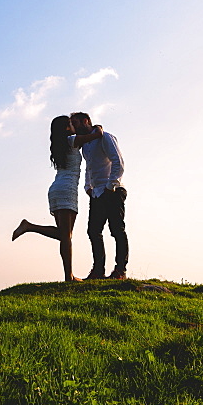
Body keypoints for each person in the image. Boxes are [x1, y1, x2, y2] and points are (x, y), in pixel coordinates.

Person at [12, 115, 103, 281]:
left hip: (57, 189)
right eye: (71, 123)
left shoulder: (60, 144)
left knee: (64, 235)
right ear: (67, 128)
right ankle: (69, 276)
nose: (74, 126)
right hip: (66, 190)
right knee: (66, 236)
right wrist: (98, 127)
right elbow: (97, 135)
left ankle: (30, 227)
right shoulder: (72, 140)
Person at [70, 112, 127, 280]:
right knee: (93, 231)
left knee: (117, 230)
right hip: (96, 193)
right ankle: (98, 271)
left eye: (75, 123)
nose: (73, 128)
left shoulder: (106, 137)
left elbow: (119, 162)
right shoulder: (86, 145)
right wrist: (88, 187)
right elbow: (89, 167)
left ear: (86, 121)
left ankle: (120, 271)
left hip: (113, 191)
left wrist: (111, 186)